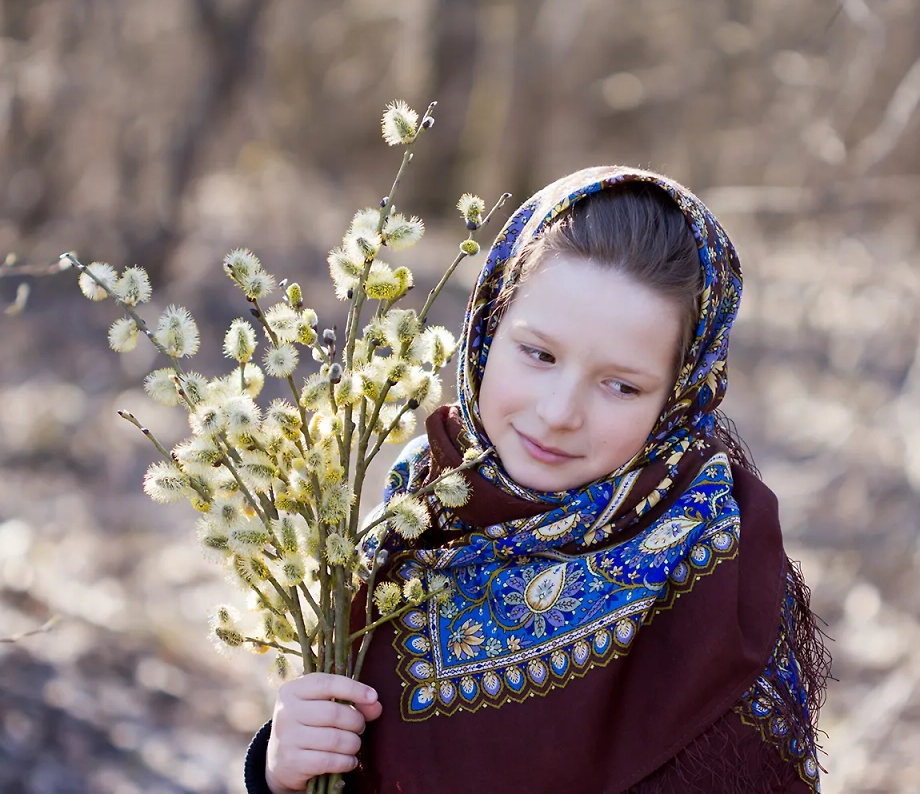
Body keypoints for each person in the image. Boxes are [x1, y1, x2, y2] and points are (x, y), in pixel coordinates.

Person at [243, 166, 830, 794]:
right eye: (539, 354)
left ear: (676, 401)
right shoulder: (416, 505)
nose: (559, 413)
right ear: (487, 330)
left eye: (621, 385)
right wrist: (281, 769)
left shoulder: (717, 577)